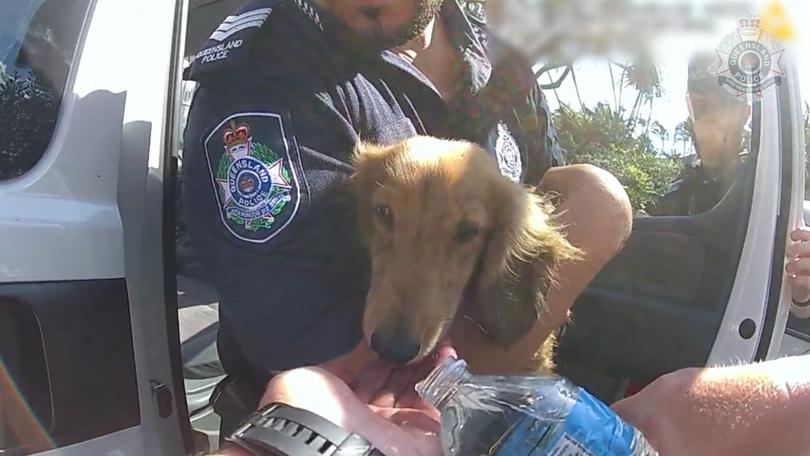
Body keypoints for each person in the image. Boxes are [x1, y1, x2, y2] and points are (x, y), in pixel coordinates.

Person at [182, 0, 632, 433]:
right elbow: (324, 375)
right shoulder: (269, 69)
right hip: (347, 433)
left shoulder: (503, 60)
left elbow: (527, 237)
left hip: (514, 404)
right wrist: (596, 222)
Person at [646, 53, 751, 217]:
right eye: (700, 107)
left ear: (744, 114)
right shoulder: (671, 203)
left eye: (719, 107)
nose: (708, 120)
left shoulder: (766, 190)